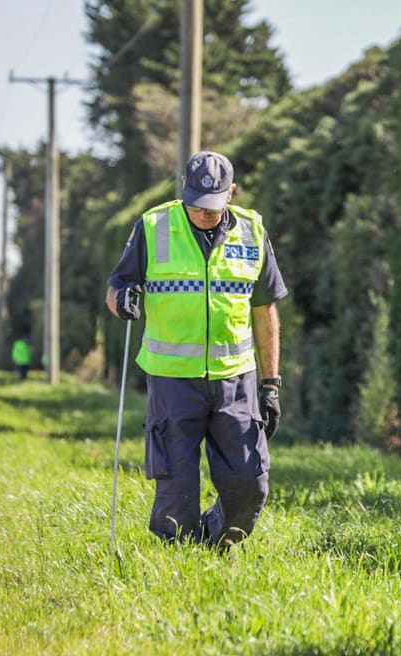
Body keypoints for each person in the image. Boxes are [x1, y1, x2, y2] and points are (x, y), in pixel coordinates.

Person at [106, 151, 287, 548]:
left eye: (213, 205)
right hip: (172, 382)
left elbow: (265, 310)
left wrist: (271, 384)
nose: (204, 213)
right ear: (183, 192)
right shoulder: (153, 227)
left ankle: (213, 541)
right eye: (196, 205)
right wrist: (124, 301)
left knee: (250, 484)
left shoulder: (253, 232)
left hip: (235, 379)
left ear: (232, 193)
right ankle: (178, 562)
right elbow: (116, 288)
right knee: (177, 494)